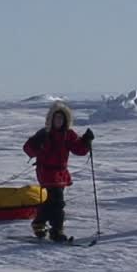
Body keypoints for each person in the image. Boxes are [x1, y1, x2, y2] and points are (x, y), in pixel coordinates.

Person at [23, 101, 93, 242]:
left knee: (50, 202)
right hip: (46, 171)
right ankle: (56, 231)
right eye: (56, 118)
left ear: (65, 120)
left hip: (61, 173)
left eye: (61, 118)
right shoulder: (44, 133)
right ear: (51, 119)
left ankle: (39, 223)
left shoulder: (68, 134)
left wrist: (86, 141)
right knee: (58, 202)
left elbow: (79, 150)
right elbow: (28, 149)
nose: (59, 121)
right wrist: (37, 144)